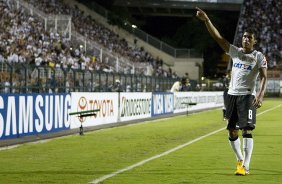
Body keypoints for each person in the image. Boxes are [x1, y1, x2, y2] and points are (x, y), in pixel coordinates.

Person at [196, 7, 267, 176]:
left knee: (247, 130)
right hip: (232, 95)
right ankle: (240, 159)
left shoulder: (258, 56)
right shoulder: (235, 52)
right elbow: (218, 37)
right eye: (244, 37)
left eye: (249, 38)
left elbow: (264, 77)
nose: (246, 39)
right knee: (231, 130)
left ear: (254, 41)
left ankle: (246, 166)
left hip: (247, 96)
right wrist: (206, 20)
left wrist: (260, 94)